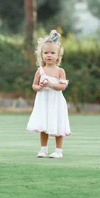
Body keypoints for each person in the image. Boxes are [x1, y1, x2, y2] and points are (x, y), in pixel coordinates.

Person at [26, 30, 71, 158]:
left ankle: (58, 151)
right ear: (42, 55)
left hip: (56, 102)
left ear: (58, 55)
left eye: (52, 53)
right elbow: (34, 85)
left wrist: (51, 85)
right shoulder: (40, 71)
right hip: (44, 102)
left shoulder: (60, 71)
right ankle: (43, 149)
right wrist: (39, 87)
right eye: (46, 53)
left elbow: (62, 86)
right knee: (44, 125)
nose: (49, 55)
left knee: (58, 125)